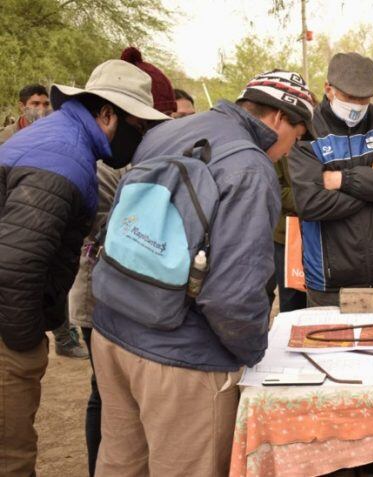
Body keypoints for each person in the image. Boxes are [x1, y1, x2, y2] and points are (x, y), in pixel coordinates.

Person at [91, 70, 314, 476]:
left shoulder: (171, 130)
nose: (290, 150)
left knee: (120, 463)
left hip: (112, 329)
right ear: (280, 119)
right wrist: (252, 354)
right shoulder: (251, 166)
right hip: (181, 357)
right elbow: (232, 294)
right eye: (297, 137)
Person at [0, 59, 169, 477]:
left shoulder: (58, 140)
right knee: (10, 457)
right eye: (137, 125)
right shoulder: (63, 159)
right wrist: (24, 346)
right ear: (107, 113)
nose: (140, 137)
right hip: (6, 332)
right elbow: (14, 266)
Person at [66, 46, 179, 477]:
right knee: (105, 394)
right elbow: (107, 228)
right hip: (100, 293)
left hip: (121, 292)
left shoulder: (125, 154)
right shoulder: (101, 159)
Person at [289, 52, 373, 308]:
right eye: (350, 97)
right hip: (331, 281)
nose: (358, 105)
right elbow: (311, 202)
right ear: (328, 89)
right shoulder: (308, 129)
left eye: (364, 98)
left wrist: (343, 180)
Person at [0, 83, 89, 358]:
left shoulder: (57, 135)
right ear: (22, 106)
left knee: (51, 277)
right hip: (17, 222)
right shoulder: (7, 138)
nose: (40, 109)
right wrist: (23, 341)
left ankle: (62, 338)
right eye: (35, 104)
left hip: (47, 223)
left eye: (44, 103)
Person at [272, 155, 307, 312]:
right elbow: (275, 191)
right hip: (288, 236)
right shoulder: (281, 146)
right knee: (292, 300)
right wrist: (316, 194)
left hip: (328, 232)